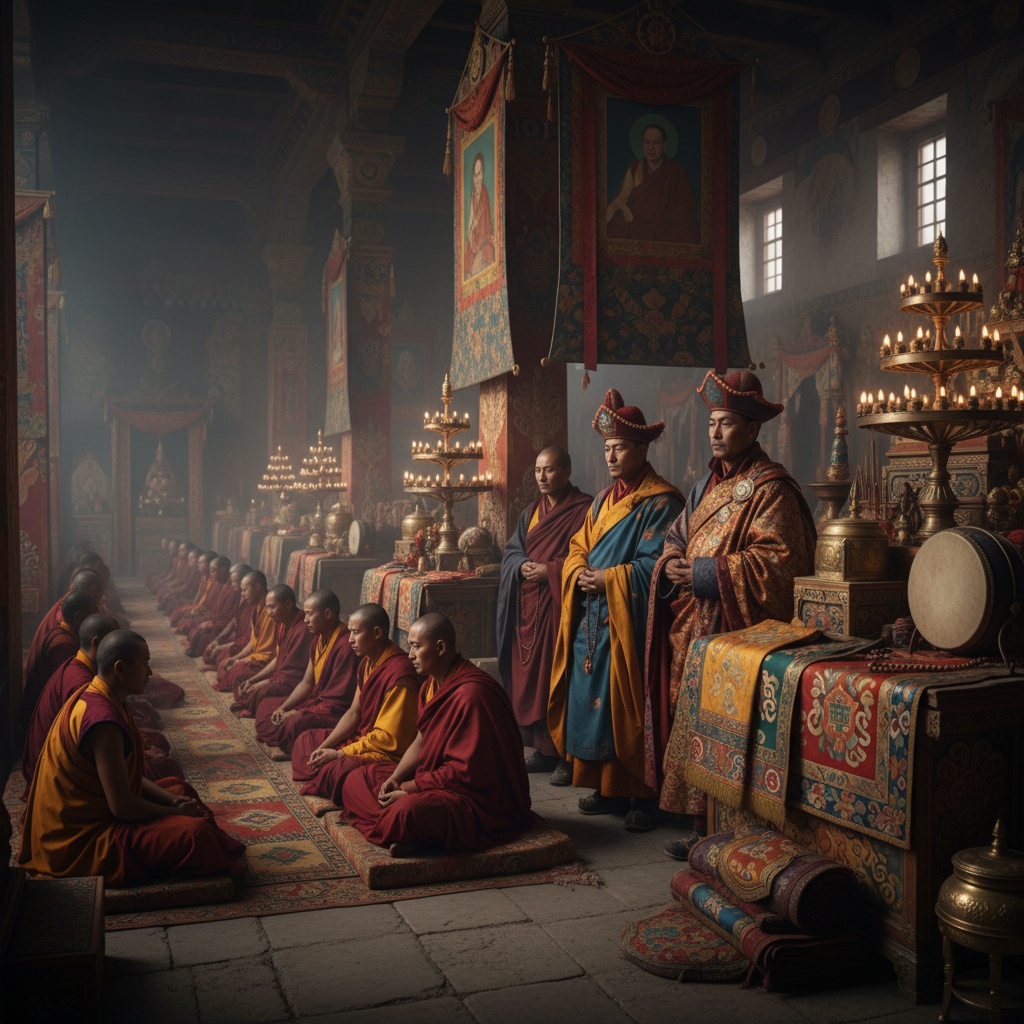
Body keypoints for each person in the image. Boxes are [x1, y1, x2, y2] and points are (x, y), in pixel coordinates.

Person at [652, 369, 817, 860]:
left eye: (725, 423)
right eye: (711, 424)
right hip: (696, 625)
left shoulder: (771, 487)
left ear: (752, 429)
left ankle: (731, 832)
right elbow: (675, 536)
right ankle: (702, 825)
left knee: (730, 732)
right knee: (698, 722)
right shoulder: (705, 484)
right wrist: (671, 563)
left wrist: (702, 573)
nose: (715, 433)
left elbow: (780, 564)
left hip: (738, 630)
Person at [548, 389, 684, 833]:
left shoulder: (661, 501)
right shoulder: (603, 500)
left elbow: (657, 565)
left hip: (632, 622)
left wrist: (610, 579)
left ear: (641, 450)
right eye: (606, 447)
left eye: (619, 447)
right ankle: (608, 788)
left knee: (629, 703)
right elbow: (577, 547)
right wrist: (578, 570)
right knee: (594, 704)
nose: (610, 455)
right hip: (593, 618)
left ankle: (644, 795)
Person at [19, 630, 247, 885]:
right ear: (120, 668)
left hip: (96, 814)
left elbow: (131, 780)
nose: (149, 672)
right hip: (83, 842)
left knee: (182, 790)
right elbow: (122, 806)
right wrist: (169, 811)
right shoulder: (102, 721)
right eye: (145, 662)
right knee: (195, 834)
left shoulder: (100, 695)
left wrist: (174, 802)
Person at [341, 613, 533, 857]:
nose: (409, 655)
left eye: (416, 647)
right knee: (355, 780)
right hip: (433, 778)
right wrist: (396, 779)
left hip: (476, 796)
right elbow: (422, 740)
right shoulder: (430, 685)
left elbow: (466, 773)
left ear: (440, 647)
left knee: (407, 811)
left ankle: (411, 830)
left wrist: (410, 788)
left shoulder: (473, 695)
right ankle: (415, 834)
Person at [496, 446, 592, 781]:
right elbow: (512, 551)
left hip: (563, 606)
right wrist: (521, 566)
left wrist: (550, 570)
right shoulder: (531, 512)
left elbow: (589, 557)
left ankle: (566, 755)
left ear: (566, 472)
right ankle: (542, 749)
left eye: (549, 470)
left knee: (561, 678)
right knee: (532, 681)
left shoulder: (584, 510)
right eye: (538, 470)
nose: (542, 477)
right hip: (530, 608)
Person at [291, 603, 420, 800]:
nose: (350, 639)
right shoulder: (367, 663)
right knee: (306, 742)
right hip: (363, 739)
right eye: (349, 632)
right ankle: (327, 773)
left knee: (338, 770)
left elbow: (386, 740)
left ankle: (331, 777)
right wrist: (325, 746)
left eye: (356, 633)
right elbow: (354, 713)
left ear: (377, 633)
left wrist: (340, 754)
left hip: (385, 752)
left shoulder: (399, 674)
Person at [254, 589, 358, 755]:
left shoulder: (345, 646)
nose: (305, 620)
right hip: (316, 702)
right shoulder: (317, 640)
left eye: (310, 614)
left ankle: (290, 746)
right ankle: (288, 739)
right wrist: (284, 707)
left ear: (328, 614)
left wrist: (301, 711)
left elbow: (338, 702)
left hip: (334, 711)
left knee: (295, 721)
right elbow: (307, 682)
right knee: (267, 707)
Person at [22, 613, 119, 789]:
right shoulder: (79, 682)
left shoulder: (78, 664)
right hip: (58, 775)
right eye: (115, 644)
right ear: (96, 643)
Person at [607, 122, 698, 244]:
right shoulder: (635, 169)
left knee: (683, 233)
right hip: (638, 223)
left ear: (665, 145)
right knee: (612, 230)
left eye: (656, 143)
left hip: (664, 225)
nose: (650, 148)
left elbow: (686, 206)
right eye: (646, 142)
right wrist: (624, 208)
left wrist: (665, 222)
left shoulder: (676, 172)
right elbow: (622, 198)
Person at [22, 590, 99, 731]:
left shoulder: (66, 634)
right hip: (48, 724)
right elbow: (71, 692)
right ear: (77, 617)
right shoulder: (62, 646)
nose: (98, 620)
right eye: (93, 615)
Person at [232, 584, 310, 718]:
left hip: (293, 683)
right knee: (244, 681)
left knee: (262, 694)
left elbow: (294, 673)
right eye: (267, 607)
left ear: (289, 604)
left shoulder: (303, 630)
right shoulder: (282, 625)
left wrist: (268, 681)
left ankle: (254, 707)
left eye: (272, 607)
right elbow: (279, 659)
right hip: (281, 677)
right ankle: (252, 705)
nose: (269, 613)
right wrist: (253, 680)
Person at [214, 570, 274, 693]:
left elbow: (273, 652)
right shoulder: (256, 608)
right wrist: (238, 657)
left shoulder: (273, 612)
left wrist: (241, 660)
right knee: (224, 667)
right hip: (256, 657)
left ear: (257, 587)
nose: (242, 594)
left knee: (237, 675)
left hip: (266, 661)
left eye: (245, 590)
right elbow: (253, 641)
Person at [202, 562, 253, 670]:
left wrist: (226, 645)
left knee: (223, 661)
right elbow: (235, 620)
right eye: (232, 580)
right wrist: (217, 640)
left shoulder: (254, 601)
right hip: (238, 638)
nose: (232, 583)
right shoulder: (241, 595)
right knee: (210, 651)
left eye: (235, 581)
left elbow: (251, 638)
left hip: (247, 643)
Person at [184, 556, 238, 656]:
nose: (211, 574)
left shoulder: (234, 590)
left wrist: (212, 623)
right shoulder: (222, 585)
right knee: (194, 630)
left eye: (213, 571)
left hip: (224, 628)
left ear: (223, 570)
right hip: (216, 622)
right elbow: (213, 608)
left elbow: (231, 618)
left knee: (206, 646)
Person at [463, 151, 495, 278]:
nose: (477, 179)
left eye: (479, 174)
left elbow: (486, 222)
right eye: (475, 175)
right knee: (467, 256)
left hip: (483, 237)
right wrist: (470, 237)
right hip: (474, 238)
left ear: (483, 174)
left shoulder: (484, 193)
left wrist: (479, 240)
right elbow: (471, 221)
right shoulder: (472, 197)